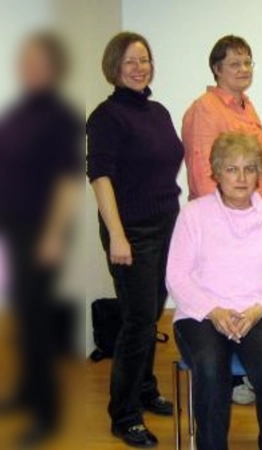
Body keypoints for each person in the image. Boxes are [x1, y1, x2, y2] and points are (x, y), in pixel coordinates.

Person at [167, 132, 262, 450]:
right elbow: (177, 276)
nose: (241, 177)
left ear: (258, 174)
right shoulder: (193, 215)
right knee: (211, 372)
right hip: (201, 315)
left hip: (257, 312)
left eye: (249, 168)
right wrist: (214, 311)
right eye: (231, 168)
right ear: (216, 172)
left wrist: (256, 310)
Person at [86, 31, 184, 448]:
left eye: (144, 59)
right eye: (130, 61)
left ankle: (145, 389)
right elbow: (100, 178)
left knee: (150, 317)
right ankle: (124, 415)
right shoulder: (106, 116)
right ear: (114, 67)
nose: (139, 67)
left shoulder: (157, 111)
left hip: (166, 225)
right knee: (138, 322)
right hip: (132, 233)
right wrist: (118, 236)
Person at [0, 31, 81, 447]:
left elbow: (68, 181)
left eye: (38, 62)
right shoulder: (18, 112)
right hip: (14, 229)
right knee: (22, 318)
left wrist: (52, 236)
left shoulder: (60, 117)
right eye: (26, 61)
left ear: (53, 67)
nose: (30, 68)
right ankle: (25, 392)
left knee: (37, 326)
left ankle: (45, 414)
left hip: (41, 231)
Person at [182, 35, 262, 202]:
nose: (244, 69)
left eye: (247, 63)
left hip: (258, 212)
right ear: (217, 69)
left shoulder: (247, 106)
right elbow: (204, 177)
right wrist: (224, 219)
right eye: (235, 64)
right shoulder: (205, 108)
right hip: (225, 217)